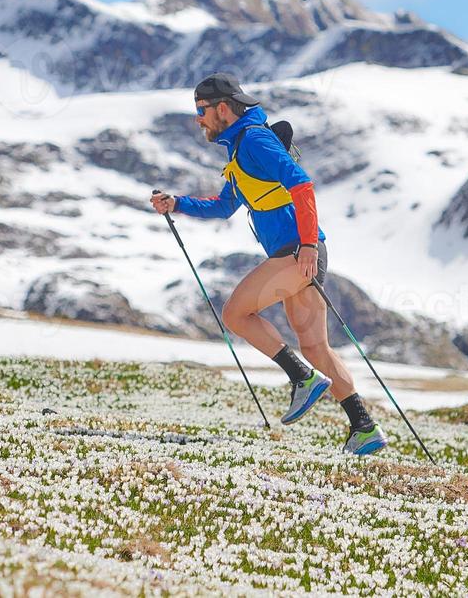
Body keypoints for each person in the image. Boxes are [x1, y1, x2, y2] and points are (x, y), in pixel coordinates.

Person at [150, 73, 386, 456]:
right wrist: (177, 203)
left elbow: (302, 184)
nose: (198, 119)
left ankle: (302, 379)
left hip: (298, 251)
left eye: (201, 111)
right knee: (316, 347)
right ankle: (363, 427)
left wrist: (308, 244)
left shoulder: (254, 141)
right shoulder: (239, 149)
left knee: (236, 314)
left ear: (223, 108)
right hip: (303, 251)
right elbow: (226, 206)